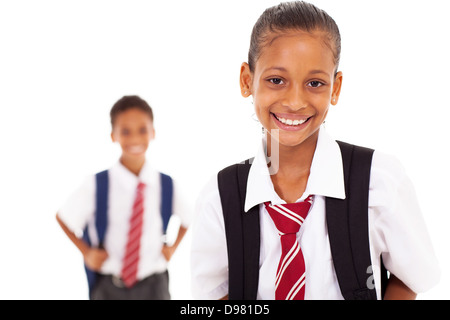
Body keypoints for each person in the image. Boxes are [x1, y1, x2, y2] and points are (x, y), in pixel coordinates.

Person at [190, 1, 439, 300]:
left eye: (315, 83)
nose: (295, 102)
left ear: (335, 88)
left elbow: (412, 275)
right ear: (247, 80)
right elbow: (213, 294)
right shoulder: (220, 197)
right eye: (276, 80)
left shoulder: (378, 180)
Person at [56, 95, 191, 300]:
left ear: (153, 132)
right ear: (113, 135)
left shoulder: (166, 183)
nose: (135, 139)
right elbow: (64, 217)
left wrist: (172, 247)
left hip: (154, 285)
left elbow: (188, 218)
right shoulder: (97, 184)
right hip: (109, 286)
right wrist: (87, 253)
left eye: (142, 130)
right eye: (125, 132)